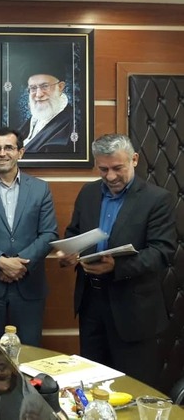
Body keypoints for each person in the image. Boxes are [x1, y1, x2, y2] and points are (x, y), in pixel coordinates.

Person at [57, 133, 176, 387]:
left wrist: (117, 266)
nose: (110, 176)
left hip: (133, 309)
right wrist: (69, 253)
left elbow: (162, 252)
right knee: (91, 382)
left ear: (134, 160)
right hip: (91, 304)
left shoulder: (157, 199)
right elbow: (74, 233)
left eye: (117, 168)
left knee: (132, 386)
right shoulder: (88, 193)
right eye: (103, 169)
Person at [0, 127, 58, 345]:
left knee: (29, 352)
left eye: (8, 148)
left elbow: (49, 233)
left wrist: (19, 265)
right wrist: (1, 262)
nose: (2, 153)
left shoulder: (40, 189)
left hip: (29, 286)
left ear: (20, 152)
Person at [16, 43, 77, 154]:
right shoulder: (32, 121)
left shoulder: (73, 125)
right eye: (33, 88)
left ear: (60, 87)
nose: (38, 94)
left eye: (45, 86)